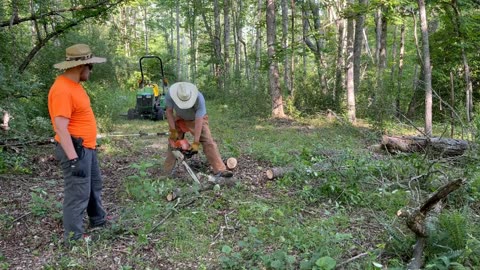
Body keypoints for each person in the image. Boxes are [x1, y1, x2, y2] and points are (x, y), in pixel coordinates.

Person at [48, 44, 107, 242]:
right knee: (77, 193)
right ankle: (73, 237)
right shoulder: (62, 89)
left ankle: (98, 221)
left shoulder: (75, 86)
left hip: (86, 148)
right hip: (75, 150)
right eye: (91, 66)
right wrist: (73, 159)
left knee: (93, 185)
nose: (91, 71)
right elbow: (60, 128)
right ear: (81, 66)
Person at [164, 82, 233, 178]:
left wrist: (196, 142)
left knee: (208, 141)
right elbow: (169, 112)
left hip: (197, 119)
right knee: (173, 142)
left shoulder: (199, 98)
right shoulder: (170, 94)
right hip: (180, 118)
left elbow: (199, 120)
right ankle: (167, 170)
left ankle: (220, 170)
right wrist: (173, 130)